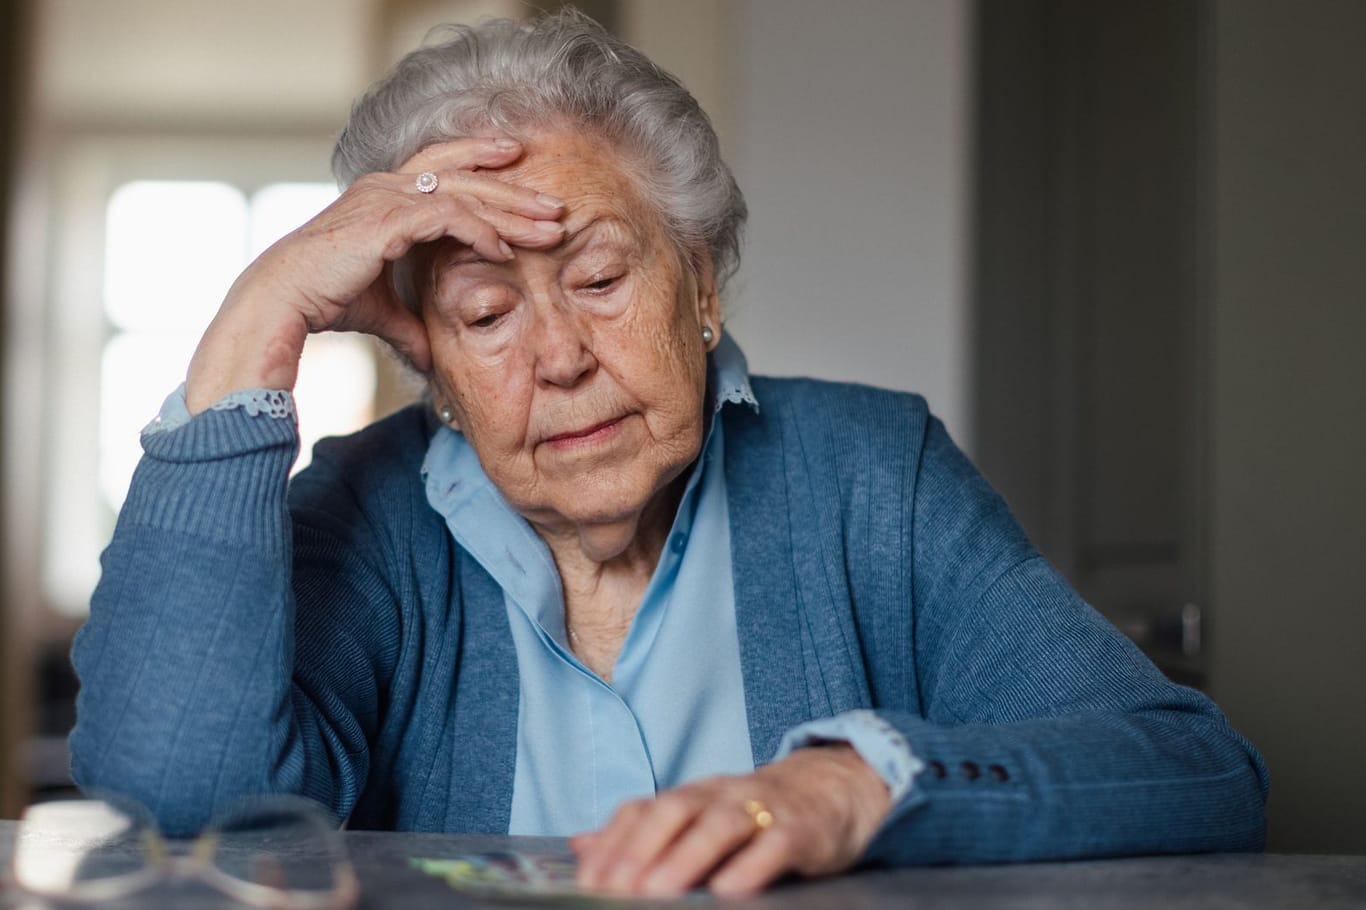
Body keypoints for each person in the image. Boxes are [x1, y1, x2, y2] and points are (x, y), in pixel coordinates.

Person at [69, 10, 1268, 898]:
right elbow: (181, 800)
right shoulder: (366, 514)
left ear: (700, 282)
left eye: (598, 277)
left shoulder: (867, 477)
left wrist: (854, 785)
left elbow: (1190, 768)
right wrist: (247, 334)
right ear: (426, 351)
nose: (558, 357)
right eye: (484, 315)